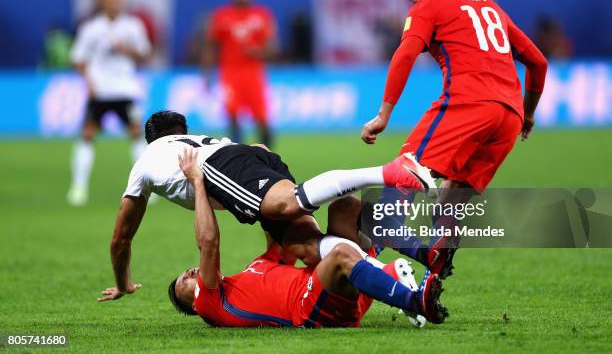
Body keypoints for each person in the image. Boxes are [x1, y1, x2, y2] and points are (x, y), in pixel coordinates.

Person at [98, 110, 446, 304]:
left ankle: (392, 171)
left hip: (223, 170)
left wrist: (124, 282)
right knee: (306, 248)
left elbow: (120, 239)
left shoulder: (145, 162)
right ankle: (413, 273)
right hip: (248, 154)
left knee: (288, 203)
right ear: (180, 130)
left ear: (149, 140)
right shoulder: (194, 139)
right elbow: (254, 148)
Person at [360, 0, 548, 276]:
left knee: (398, 185)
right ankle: (433, 281)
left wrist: (383, 114)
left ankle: (364, 277)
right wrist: (528, 115)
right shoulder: (490, 6)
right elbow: (538, 62)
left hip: (469, 103)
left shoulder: (431, 4)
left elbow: (405, 55)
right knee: (450, 203)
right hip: (509, 116)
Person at [161, 148, 447, 327]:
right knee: (337, 256)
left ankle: (423, 255)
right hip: (311, 309)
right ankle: (412, 300)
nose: (188, 273)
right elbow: (208, 243)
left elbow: (276, 229)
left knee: (345, 207)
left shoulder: (254, 269)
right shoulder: (211, 305)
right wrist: (198, 182)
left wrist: (256, 164)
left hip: (339, 291)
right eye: (183, 282)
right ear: (194, 305)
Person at [67, 0, 151, 206]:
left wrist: (129, 50)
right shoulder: (91, 28)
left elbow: (145, 55)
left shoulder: (132, 26)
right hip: (100, 92)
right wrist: (89, 81)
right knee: (87, 135)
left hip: (125, 90)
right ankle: (78, 187)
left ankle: (146, 188)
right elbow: (77, 59)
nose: (115, 2)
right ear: (102, 0)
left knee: (137, 133)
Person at [203, 0, 276, 147]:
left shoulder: (262, 16)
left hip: (254, 73)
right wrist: (207, 74)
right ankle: (240, 158)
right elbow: (210, 46)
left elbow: (273, 49)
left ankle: (269, 157)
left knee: (262, 118)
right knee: (233, 116)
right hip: (230, 73)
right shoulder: (222, 16)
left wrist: (259, 52)